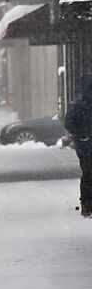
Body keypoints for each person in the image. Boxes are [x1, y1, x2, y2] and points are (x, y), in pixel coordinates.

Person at [64, 75, 92, 217]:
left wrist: (80, 136)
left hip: (84, 145)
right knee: (88, 174)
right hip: (85, 146)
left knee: (87, 174)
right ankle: (87, 205)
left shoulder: (78, 105)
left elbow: (68, 123)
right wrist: (82, 136)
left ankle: (87, 205)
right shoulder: (80, 106)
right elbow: (69, 123)